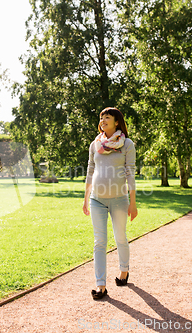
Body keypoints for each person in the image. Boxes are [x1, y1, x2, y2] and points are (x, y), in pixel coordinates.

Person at [82, 107, 137, 300]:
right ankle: (101, 285)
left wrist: (133, 202)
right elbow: (90, 171)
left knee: (120, 237)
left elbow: (130, 173)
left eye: (107, 117)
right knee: (99, 242)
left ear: (116, 122)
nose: (103, 120)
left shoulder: (126, 144)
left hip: (119, 199)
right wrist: (85, 198)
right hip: (97, 199)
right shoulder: (95, 144)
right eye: (101, 117)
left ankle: (124, 271)